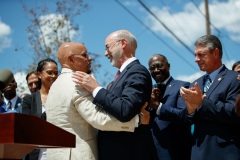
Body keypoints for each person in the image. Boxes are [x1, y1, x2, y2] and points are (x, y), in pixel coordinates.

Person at [46, 42, 149, 160]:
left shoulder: (54, 86)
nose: (89, 58)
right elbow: (98, 119)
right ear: (71, 59)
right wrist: (138, 120)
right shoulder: (77, 83)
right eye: (84, 55)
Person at [72, 30, 158, 160]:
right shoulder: (120, 77)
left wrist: (96, 89)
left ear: (123, 43)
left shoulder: (137, 72)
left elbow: (124, 110)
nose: (105, 53)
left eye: (108, 47)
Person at [180, 35, 240, 160]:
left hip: (224, 152)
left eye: (201, 54)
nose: (196, 59)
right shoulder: (195, 84)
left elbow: (234, 112)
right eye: (195, 55)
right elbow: (188, 120)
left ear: (216, 52)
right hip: (198, 151)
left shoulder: (234, 79)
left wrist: (202, 102)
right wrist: (190, 110)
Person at [148, 54, 191, 160]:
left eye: (159, 66)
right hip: (151, 151)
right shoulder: (148, 91)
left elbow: (184, 116)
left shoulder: (183, 86)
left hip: (175, 151)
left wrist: (158, 107)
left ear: (169, 66)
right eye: (152, 68)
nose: (156, 70)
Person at [22, 58, 58, 160]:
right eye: (49, 72)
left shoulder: (62, 97)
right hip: (38, 155)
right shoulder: (29, 101)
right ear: (39, 74)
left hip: (60, 152)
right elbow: (28, 128)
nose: (53, 76)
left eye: (56, 73)